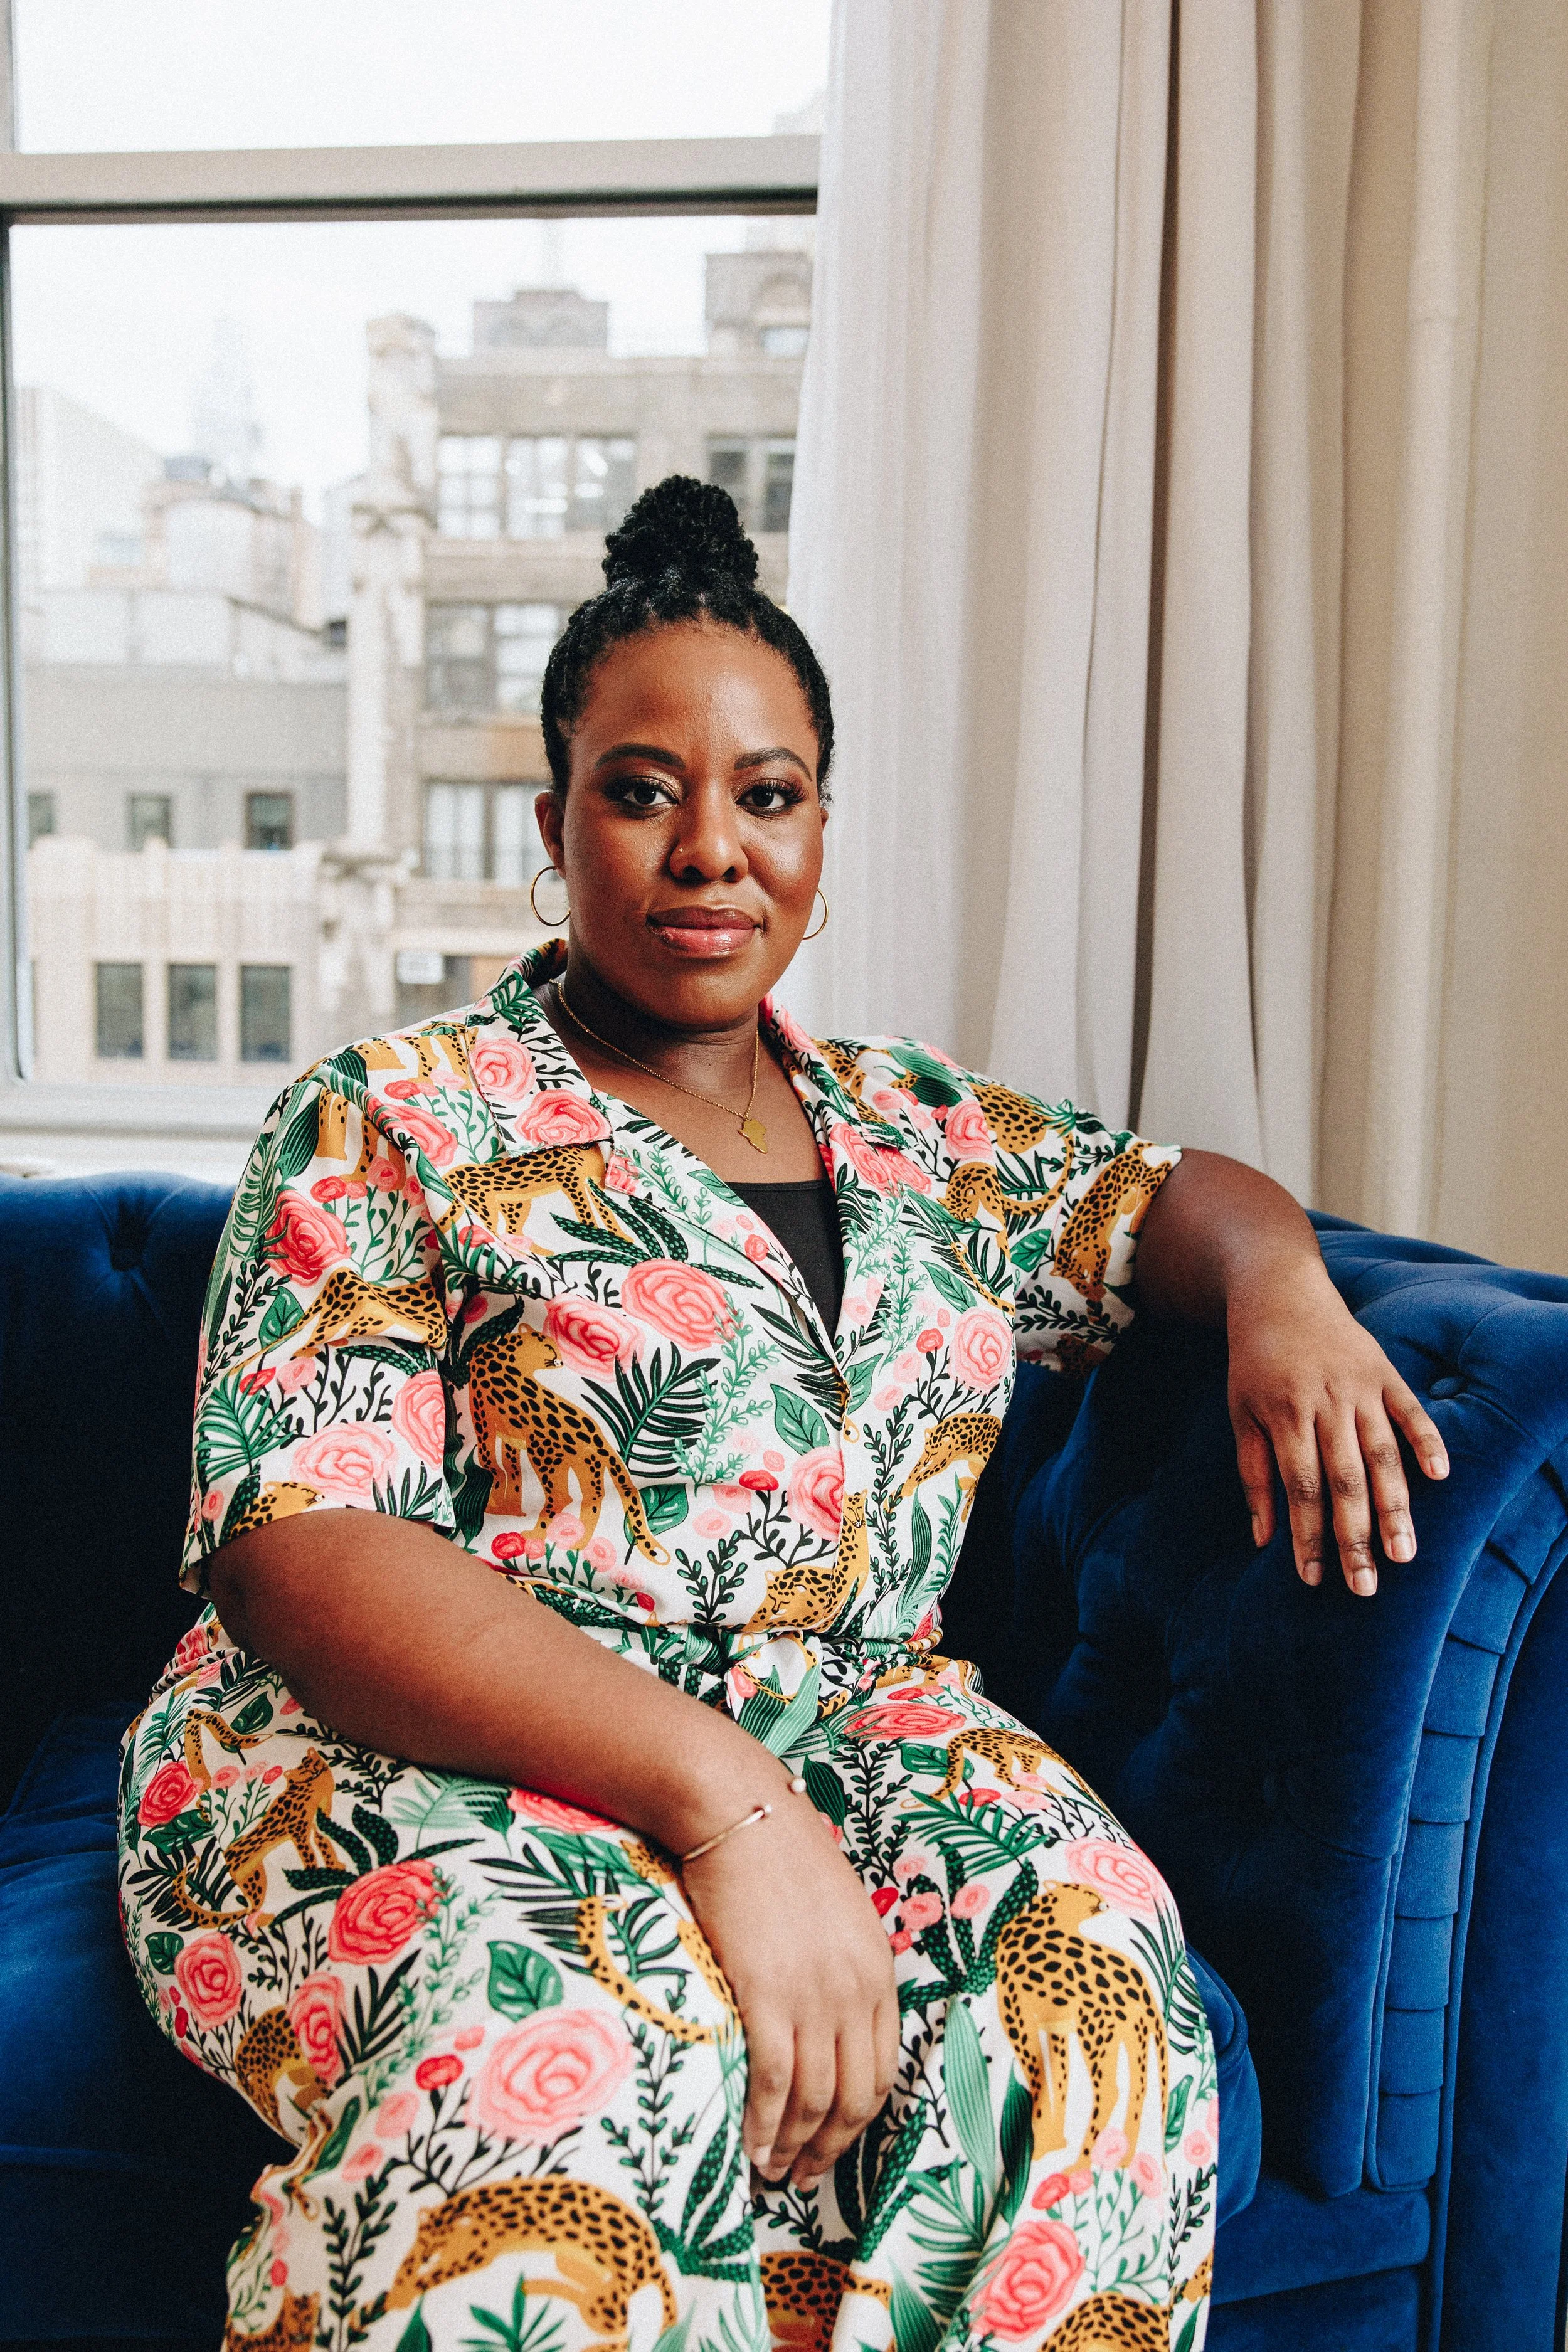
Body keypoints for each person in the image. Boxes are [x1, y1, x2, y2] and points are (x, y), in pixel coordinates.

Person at [119, 478, 1449, 2352]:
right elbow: (303, 1552)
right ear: (552, 824)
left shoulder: (921, 1134)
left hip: (860, 1725)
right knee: (592, 2058)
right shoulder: (387, 1115)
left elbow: (1167, 1198)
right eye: (641, 788)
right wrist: (728, 1811)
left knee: (1093, 2008)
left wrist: (1284, 1291)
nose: (707, 852)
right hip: (415, 1730)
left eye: (765, 794)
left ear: (818, 825)